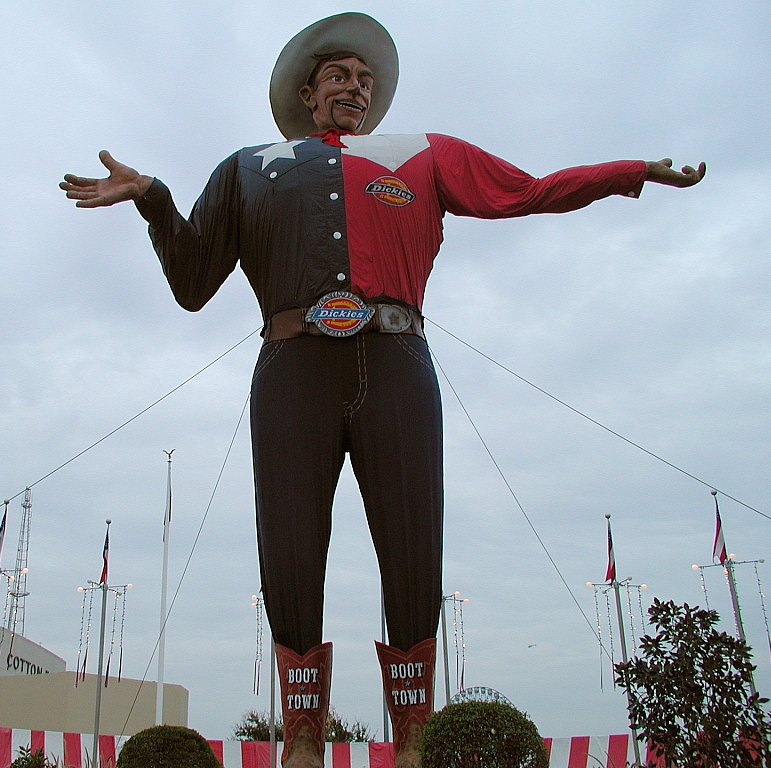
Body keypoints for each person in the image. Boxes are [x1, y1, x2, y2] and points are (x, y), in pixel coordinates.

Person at [61, 13, 703, 768]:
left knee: (411, 542)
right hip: (293, 364)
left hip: (398, 357)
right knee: (291, 543)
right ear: (307, 92)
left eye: (365, 80)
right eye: (339, 76)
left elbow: (527, 191)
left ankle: (415, 734)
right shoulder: (248, 164)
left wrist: (629, 172)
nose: (355, 89)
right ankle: (301, 735)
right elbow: (194, 283)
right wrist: (154, 200)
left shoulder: (423, 154)